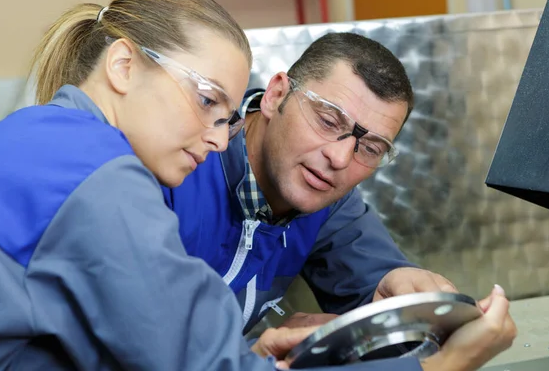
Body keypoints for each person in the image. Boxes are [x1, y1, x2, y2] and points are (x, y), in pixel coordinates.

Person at [0, 0, 316, 371]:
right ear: (123, 66)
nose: (217, 141)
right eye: (206, 99)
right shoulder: (99, 175)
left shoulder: (31, 130)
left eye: (225, 120)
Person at [162, 31, 517, 370]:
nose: (341, 158)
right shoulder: (177, 163)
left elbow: (374, 280)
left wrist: (404, 293)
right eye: (329, 120)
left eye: (371, 148)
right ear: (276, 94)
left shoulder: (328, 200)